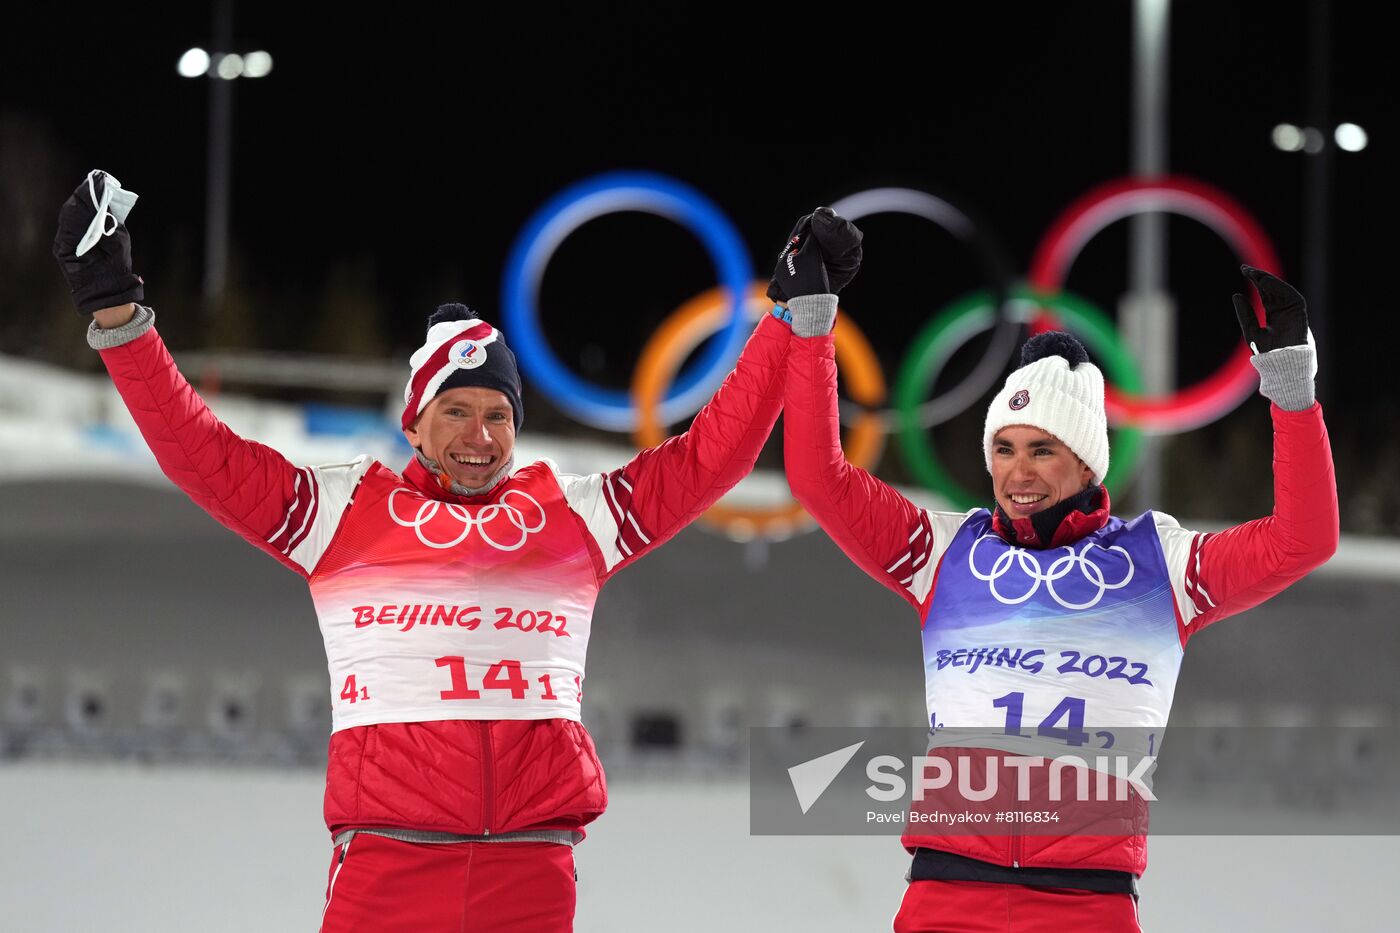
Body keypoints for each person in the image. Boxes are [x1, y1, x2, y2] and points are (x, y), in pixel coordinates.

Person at [51, 171, 846, 932]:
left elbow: (716, 456)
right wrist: (119, 315)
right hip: (388, 867)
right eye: (456, 409)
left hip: (531, 872)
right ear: (415, 422)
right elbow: (203, 453)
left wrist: (791, 315)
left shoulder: (573, 514)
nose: (479, 434)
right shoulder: (341, 511)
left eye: (498, 413)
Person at [781, 213, 1338, 932]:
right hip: (946, 898)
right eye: (1004, 448)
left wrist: (1291, 391)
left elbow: (1304, 539)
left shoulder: (1158, 563)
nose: (1018, 472)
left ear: (1086, 460)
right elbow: (818, 477)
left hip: (1087, 906)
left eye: (1042, 449)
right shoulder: (942, 552)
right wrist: (813, 325)